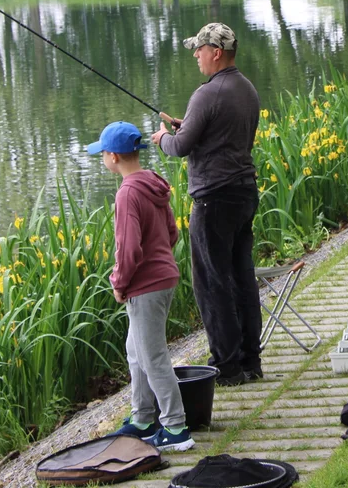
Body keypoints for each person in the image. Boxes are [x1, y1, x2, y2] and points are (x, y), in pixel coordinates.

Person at [151, 23, 261, 386]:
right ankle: (250, 362)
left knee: (213, 284)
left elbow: (180, 148)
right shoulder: (246, 88)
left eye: (199, 49)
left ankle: (227, 369)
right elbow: (225, 136)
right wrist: (190, 127)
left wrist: (165, 138)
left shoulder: (207, 94)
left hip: (214, 200)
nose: (195, 54)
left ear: (216, 51)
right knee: (242, 280)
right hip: (244, 193)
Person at [87, 121, 194, 452]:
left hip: (145, 285)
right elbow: (172, 233)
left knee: (152, 355)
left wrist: (120, 281)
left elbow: (128, 248)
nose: (102, 158)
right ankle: (143, 418)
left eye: (103, 153)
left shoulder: (128, 193)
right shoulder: (152, 183)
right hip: (163, 277)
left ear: (114, 157)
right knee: (136, 351)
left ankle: (176, 427)